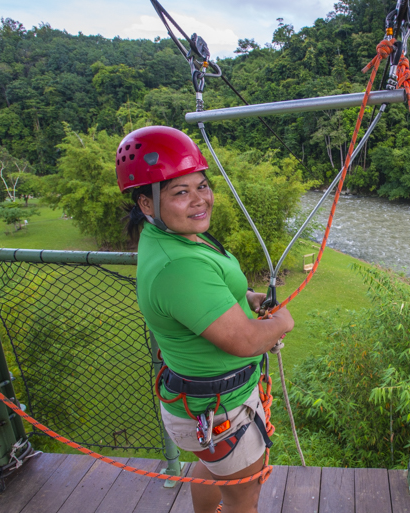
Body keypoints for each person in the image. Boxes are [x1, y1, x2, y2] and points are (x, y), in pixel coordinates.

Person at [116, 126, 294, 513]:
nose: (200, 200)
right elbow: (246, 341)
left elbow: (199, 298)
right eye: (181, 192)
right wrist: (283, 321)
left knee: (207, 469)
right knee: (244, 496)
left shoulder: (171, 238)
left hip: (205, 406)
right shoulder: (179, 265)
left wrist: (242, 298)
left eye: (201, 186)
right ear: (147, 204)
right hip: (222, 409)